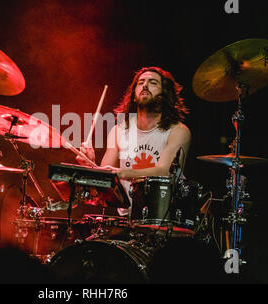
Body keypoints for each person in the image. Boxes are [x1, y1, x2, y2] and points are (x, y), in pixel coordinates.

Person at [77, 66, 191, 215]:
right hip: (127, 219)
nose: (145, 85)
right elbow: (106, 179)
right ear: (134, 96)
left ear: (165, 94)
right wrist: (90, 164)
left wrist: (123, 173)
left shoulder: (178, 131)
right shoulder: (118, 131)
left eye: (153, 83)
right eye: (141, 82)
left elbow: (164, 171)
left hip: (162, 220)